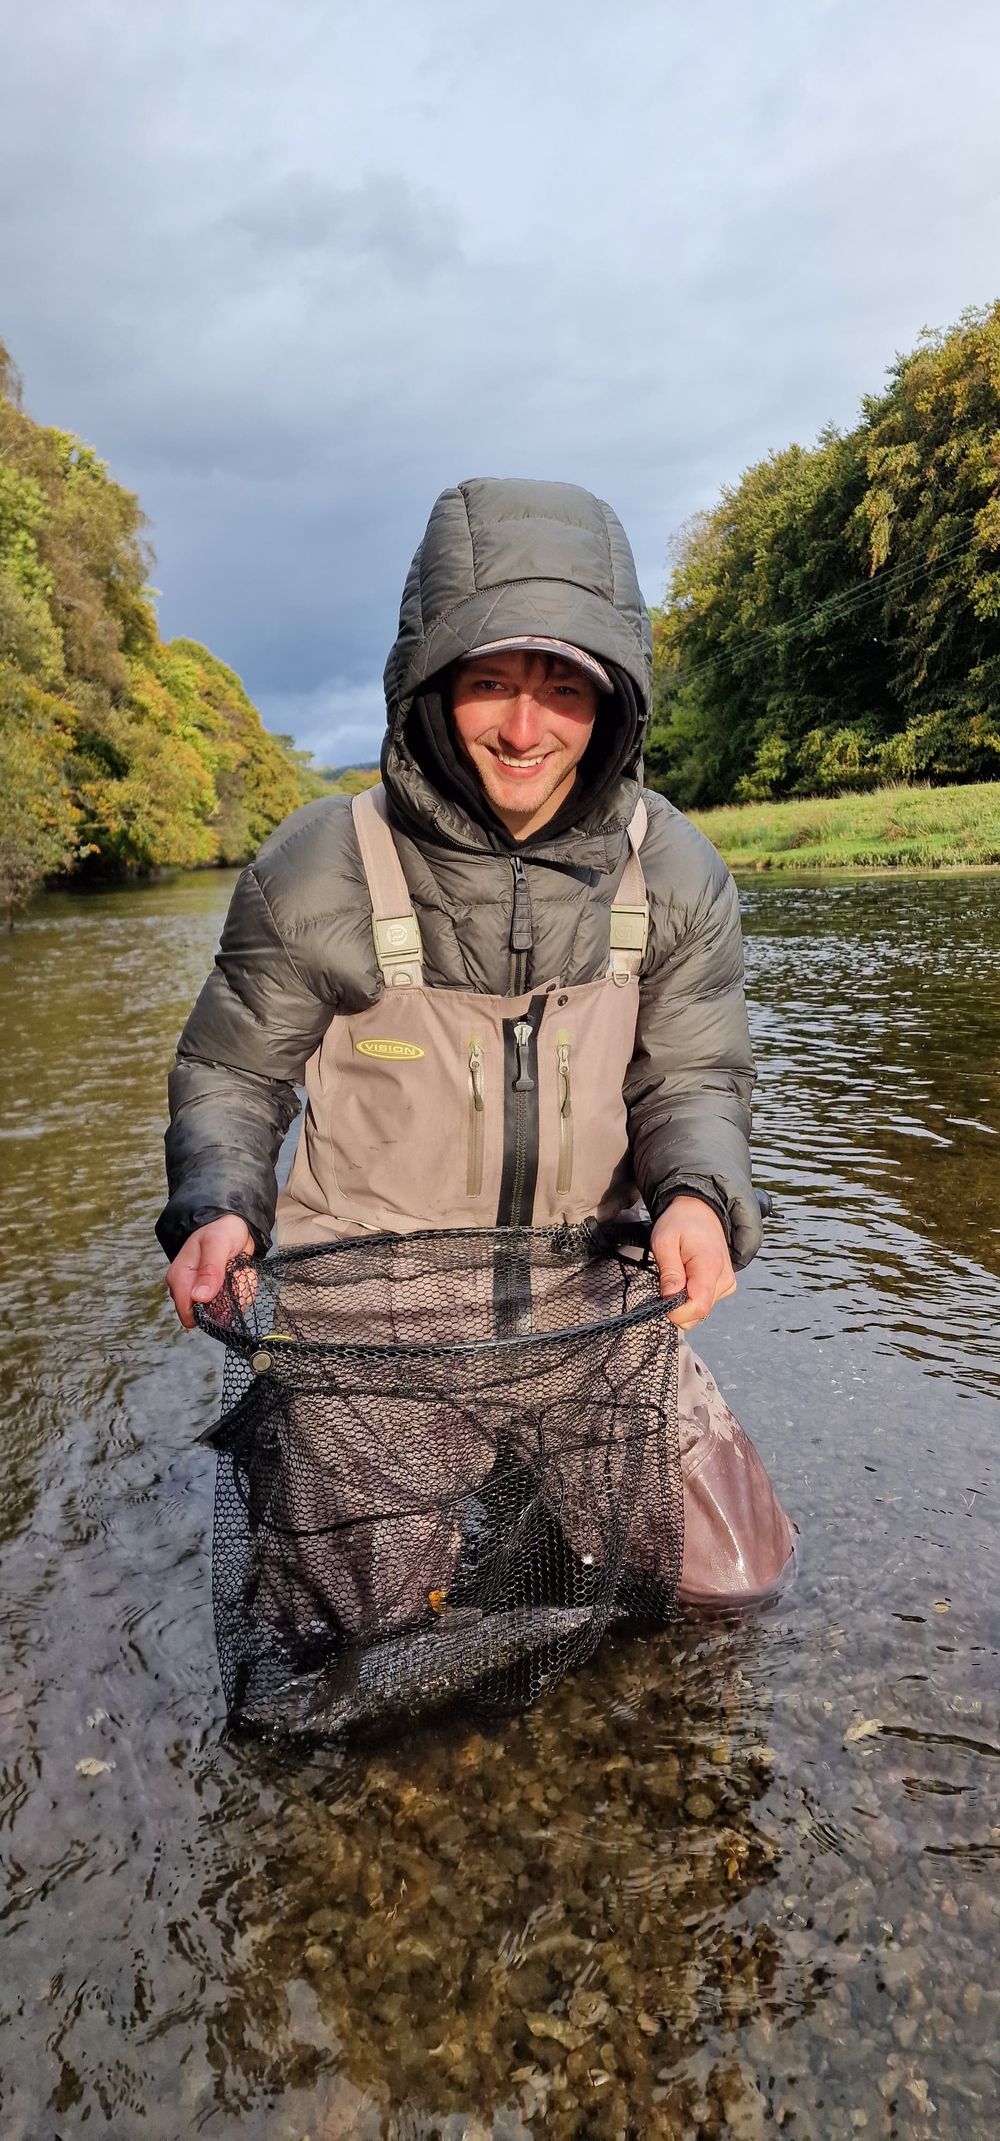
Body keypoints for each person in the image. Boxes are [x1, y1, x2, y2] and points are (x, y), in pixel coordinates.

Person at [157, 477, 794, 1615]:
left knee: (729, 1585)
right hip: (374, 1329)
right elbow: (232, 1072)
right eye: (489, 682)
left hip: (592, 1301)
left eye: (564, 689)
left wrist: (697, 1194)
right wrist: (216, 1202)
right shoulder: (319, 867)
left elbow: (693, 1073)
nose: (522, 727)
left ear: (616, 702)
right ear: (428, 685)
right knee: (350, 1629)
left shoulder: (679, 870)